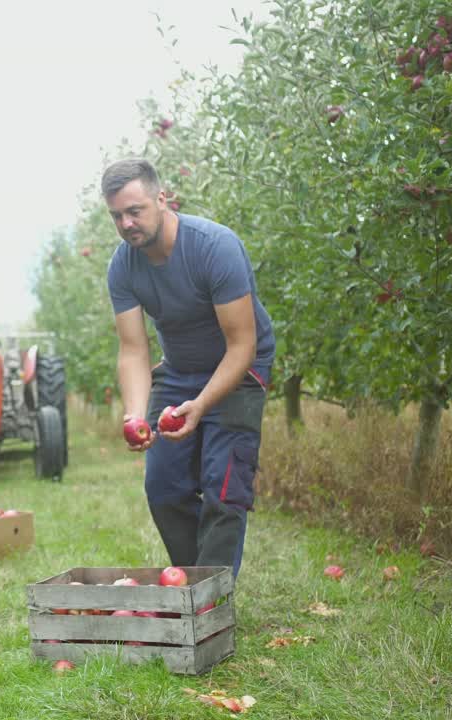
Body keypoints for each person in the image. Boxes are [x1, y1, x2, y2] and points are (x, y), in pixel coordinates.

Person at [102, 158, 275, 577]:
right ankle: (191, 581)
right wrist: (135, 413)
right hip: (179, 370)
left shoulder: (214, 247)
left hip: (239, 370)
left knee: (224, 489)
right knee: (163, 487)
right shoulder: (122, 266)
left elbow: (242, 345)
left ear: (162, 199)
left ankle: (208, 604)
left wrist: (200, 406)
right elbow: (132, 349)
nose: (126, 224)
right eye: (116, 216)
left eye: (135, 211)